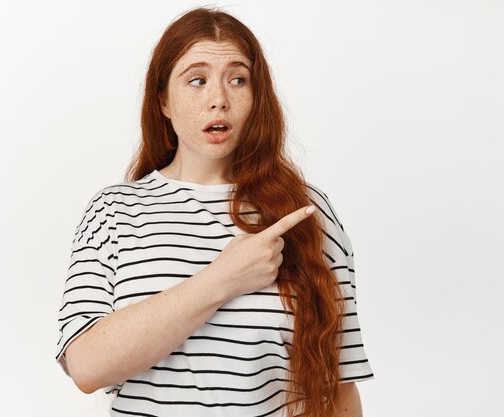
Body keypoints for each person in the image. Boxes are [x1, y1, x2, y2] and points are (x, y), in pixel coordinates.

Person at [56, 6, 373, 417]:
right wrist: (224, 278)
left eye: (238, 80)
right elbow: (85, 366)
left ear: (257, 97)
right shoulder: (115, 211)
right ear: (164, 101)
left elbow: (337, 386)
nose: (219, 99)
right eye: (197, 80)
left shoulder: (305, 213)